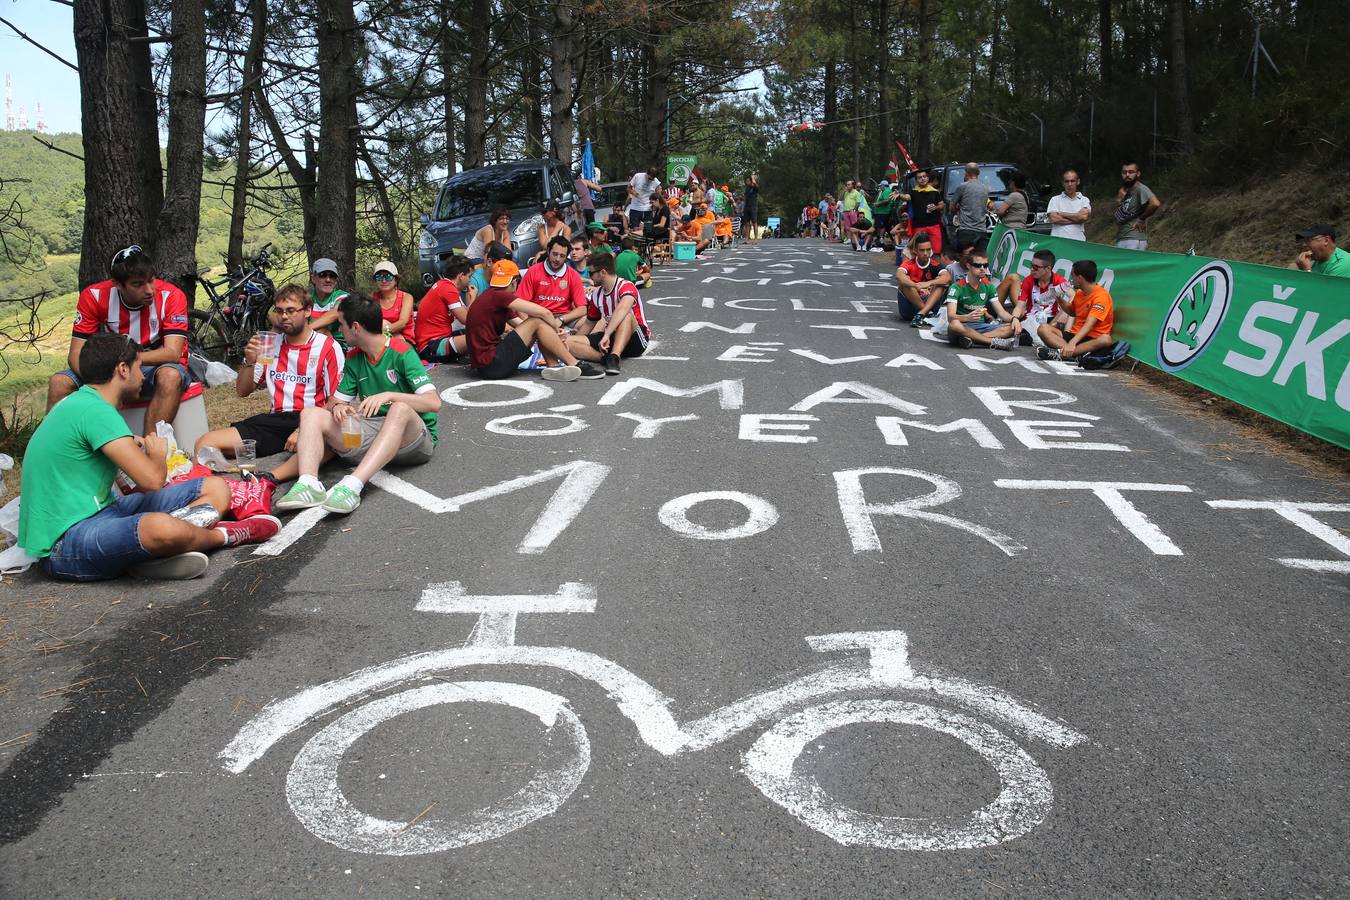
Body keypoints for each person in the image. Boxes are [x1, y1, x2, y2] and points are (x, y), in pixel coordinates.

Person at [22, 333, 280, 581]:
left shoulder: (83, 403)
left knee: (215, 487)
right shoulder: (96, 411)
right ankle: (224, 535)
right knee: (159, 527)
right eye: (138, 367)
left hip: (103, 512)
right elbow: (152, 481)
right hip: (66, 540)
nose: (142, 377)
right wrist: (158, 453)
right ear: (122, 369)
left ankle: (160, 550)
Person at [274, 294, 442, 515]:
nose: (339, 330)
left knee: (399, 409)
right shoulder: (354, 358)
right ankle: (308, 483)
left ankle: (353, 485)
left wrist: (390, 395)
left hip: (414, 442)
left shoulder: (401, 352)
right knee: (311, 413)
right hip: (375, 435)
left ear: (355, 327)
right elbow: (335, 402)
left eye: (341, 324)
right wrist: (338, 408)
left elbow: (433, 403)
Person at [194, 283, 345, 484]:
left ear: (307, 311)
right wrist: (249, 361)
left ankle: (269, 478)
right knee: (205, 442)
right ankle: (204, 487)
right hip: (277, 420)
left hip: (312, 418)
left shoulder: (327, 347)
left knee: (332, 443)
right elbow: (243, 391)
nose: (284, 317)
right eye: (279, 311)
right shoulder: (270, 344)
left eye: (291, 311)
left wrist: (302, 430)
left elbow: (337, 401)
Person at [47, 246, 192, 436]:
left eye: (151, 280)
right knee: (60, 382)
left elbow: (172, 353)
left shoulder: (171, 296)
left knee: (170, 376)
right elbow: (75, 354)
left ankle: (151, 447)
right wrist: (100, 380)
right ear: (117, 284)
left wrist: (128, 360)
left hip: (152, 365)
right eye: (137, 284)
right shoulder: (94, 296)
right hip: (110, 366)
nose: (149, 290)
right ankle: (60, 447)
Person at [463, 259, 605, 382]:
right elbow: (544, 312)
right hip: (493, 364)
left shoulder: (491, 296)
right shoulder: (500, 296)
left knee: (538, 325)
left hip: (488, 365)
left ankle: (553, 366)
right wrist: (555, 330)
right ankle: (574, 363)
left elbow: (523, 327)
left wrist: (550, 334)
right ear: (514, 282)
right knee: (537, 320)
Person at [566, 251, 651, 376]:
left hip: (636, 340)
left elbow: (623, 309)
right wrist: (575, 339)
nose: (590, 277)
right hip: (610, 338)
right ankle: (603, 359)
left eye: (591, 273)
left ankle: (614, 357)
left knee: (626, 316)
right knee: (566, 342)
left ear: (603, 272)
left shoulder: (626, 286)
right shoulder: (597, 294)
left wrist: (606, 334)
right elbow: (589, 323)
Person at [1037, 259, 1115, 361]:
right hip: (1074, 334)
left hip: (1092, 338)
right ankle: (1073, 354)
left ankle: (1061, 354)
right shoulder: (1079, 293)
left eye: (1073, 275)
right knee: (1043, 329)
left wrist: (1072, 343)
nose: (1071, 279)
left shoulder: (1101, 296)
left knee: (1106, 339)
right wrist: (1058, 298)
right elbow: (1072, 311)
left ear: (1080, 278)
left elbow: (1089, 325)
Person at [944, 250, 1018, 351]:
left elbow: (1001, 312)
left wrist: (1015, 319)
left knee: (1012, 327)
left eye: (985, 265)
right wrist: (967, 317)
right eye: (978, 265)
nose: (982, 269)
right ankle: (991, 341)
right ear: (968, 266)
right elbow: (950, 317)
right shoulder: (956, 287)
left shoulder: (988, 286)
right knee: (954, 324)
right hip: (963, 326)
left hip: (981, 327)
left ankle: (972, 340)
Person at [518, 235, 591, 337]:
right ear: (548, 251)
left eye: (562, 256)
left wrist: (561, 319)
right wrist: (529, 325)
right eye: (555, 254)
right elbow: (519, 305)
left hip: (564, 318)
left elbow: (582, 309)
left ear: (566, 257)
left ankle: (571, 342)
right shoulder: (533, 271)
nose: (557, 259)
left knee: (597, 322)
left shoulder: (573, 275)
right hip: (538, 317)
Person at [414, 255, 474, 363]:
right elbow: (467, 319)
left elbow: (465, 315)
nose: (470, 281)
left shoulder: (443, 284)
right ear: (461, 276)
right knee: (479, 337)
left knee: (477, 332)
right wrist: (472, 298)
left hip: (433, 342)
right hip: (430, 347)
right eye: (469, 276)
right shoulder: (448, 289)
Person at [1012, 249, 1072, 348]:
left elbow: (1073, 296)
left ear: (1048, 268)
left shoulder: (1059, 280)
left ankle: (1066, 341)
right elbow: (1019, 306)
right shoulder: (1029, 280)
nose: (1031, 269)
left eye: (1036, 267)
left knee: (1069, 311)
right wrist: (1015, 318)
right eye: (1031, 265)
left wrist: (1065, 313)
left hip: (1052, 321)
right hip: (1032, 319)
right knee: (1010, 328)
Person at [896, 232, 951, 327]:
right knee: (905, 282)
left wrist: (928, 284)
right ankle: (926, 312)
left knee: (941, 283)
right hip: (909, 310)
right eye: (922, 250)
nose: (926, 253)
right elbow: (899, 275)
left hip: (929, 301)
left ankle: (921, 314)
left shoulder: (935, 265)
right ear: (915, 251)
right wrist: (916, 286)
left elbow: (947, 278)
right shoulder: (909, 264)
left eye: (928, 250)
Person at [1114, 162, 1161, 250]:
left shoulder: (1141, 188)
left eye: (1131, 172)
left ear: (1138, 174)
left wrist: (1141, 219)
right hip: (1123, 237)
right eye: (1124, 172)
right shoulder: (1126, 191)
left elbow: (1155, 203)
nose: (1127, 175)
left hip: (1134, 238)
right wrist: (1120, 201)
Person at [897, 170, 944, 254]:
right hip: (919, 226)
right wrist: (900, 195)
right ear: (916, 180)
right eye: (920, 178)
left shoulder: (935, 192)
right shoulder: (913, 192)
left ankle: (935, 266)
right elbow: (907, 197)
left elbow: (941, 205)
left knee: (937, 251)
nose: (922, 179)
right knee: (918, 251)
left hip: (934, 225)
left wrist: (936, 207)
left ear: (927, 178)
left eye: (924, 177)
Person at [308, 257, 351, 346]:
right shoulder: (307, 298)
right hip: (312, 344)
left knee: (322, 331)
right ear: (313, 278)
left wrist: (306, 330)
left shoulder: (342, 296)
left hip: (341, 346)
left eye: (332, 276)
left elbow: (336, 312)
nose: (328, 280)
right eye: (323, 275)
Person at [371, 260, 415, 344]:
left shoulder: (406, 297)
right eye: (379, 277)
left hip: (404, 340)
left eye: (388, 276)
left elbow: (402, 322)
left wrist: (384, 329)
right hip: (379, 340)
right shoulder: (372, 298)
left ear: (396, 280)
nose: (384, 281)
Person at [951, 162, 992, 250]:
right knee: (980, 258)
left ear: (966, 173)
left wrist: (957, 209)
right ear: (979, 173)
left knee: (966, 259)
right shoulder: (985, 188)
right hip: (982, 230)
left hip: (966, 230)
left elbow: (951, 206)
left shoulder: (962, 187)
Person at [1047, 169, 1091, 241]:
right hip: (1058, 242)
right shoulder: (1055, 199)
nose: (1069, 184)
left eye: (1072, 181)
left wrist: (1062, 213)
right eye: (1067, 181)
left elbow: (1083, 217)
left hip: (1078, 242)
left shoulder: (1084, 200)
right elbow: (1054, 219)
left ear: (1078, 182)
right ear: (1063, 183)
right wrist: (1077, 218)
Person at [627, 165, 662, 230]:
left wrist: (659, 205)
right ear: (646, 173)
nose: (651, 180)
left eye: (652, 179)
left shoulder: (655, 181)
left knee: (648, 230)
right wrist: (634, 193)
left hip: (648, 209)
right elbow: (629, 187)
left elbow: (658, 194)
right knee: (634, 229)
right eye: (649, 178)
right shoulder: (638, 176)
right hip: (636, 208)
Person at [873, 180, 895, 247]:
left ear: (884, 185)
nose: (880, 187)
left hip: (883, 212)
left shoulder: (886, 191)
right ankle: (892, 240)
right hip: (882, 212)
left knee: (882, 226)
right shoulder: (885, 191)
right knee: (886, 226)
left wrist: (878, 204)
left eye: (880, 186)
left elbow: (886, 200)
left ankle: (881, 239)